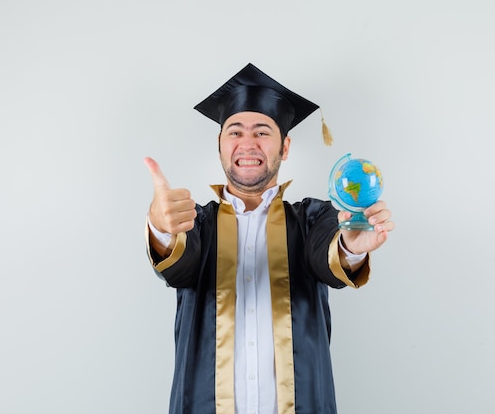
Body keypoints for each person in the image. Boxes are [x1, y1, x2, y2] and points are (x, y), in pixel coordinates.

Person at [143, 63, 394, 414]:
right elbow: (178, 266)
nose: (247, 143)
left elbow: (328, 253)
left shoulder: (313, 219)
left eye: (262, 132)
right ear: (219, 145)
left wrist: (351, 245)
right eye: (235, 132)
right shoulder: (195, 224)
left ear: (285, 147)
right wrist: (161, 226)